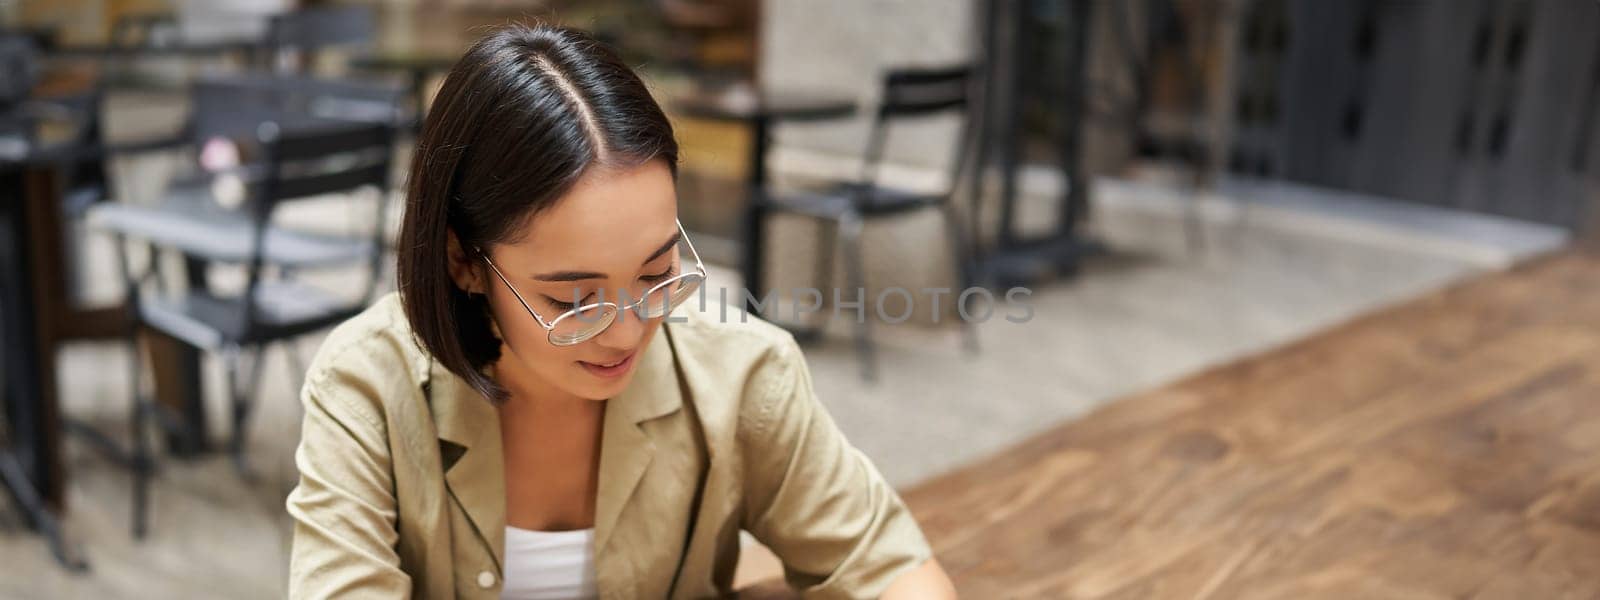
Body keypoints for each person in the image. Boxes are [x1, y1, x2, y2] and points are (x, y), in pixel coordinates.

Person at [285, 23, 956, 599]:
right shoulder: (368, 388)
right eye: (574, 298)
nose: (630, 329)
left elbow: (891, 566)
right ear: (462, 260)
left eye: (658, 272)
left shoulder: (744, 376)